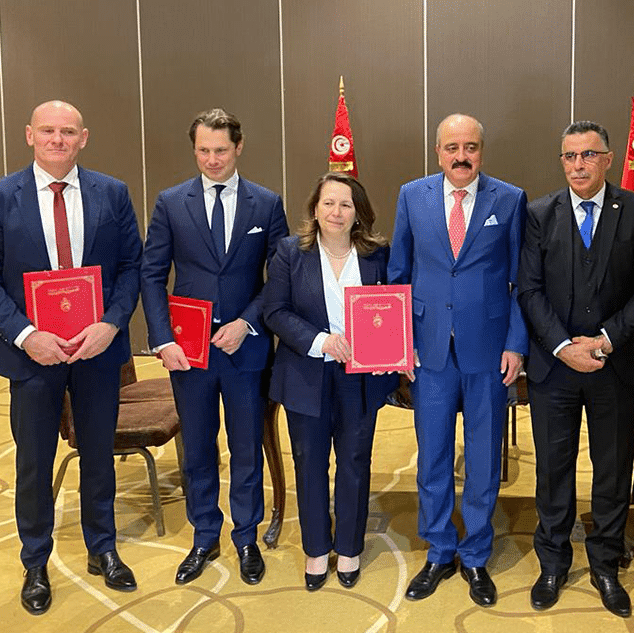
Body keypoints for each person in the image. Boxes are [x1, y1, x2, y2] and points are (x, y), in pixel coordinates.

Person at [0, 100, 143, 615]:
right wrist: (24, 335)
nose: (58, 140)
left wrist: (110, 324)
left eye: (68, 132)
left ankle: (102, 547)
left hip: (95, 351)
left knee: (98, 453)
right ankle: (36, 560)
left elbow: (131, 266)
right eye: (48, 131)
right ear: (29, 135)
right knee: (35, 459)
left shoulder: (111, 193)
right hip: (32, 357)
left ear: (83, 137)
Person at [518, 120, 634, 617]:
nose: (577, 165)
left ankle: (605, 562)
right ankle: (553, 562)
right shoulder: (539, 213)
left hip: (614, 366)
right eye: (569, 156)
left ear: (608, 159)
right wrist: (563, 346)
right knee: (553, 471)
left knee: (611, 470)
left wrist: (605, 340)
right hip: (554, 369)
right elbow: (529, 290)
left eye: (587, 155)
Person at [140, 108, 289, 587]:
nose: (212, 159)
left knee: (246, 447)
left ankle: (245, 536)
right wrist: (162, 338)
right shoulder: (170, 202)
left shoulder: (266, 204)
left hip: (245, 351)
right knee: (199, 450)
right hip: (189, 353)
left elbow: (280, 278)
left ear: (238, 148)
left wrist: (247, 323)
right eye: (203, 150)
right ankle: (205, 534)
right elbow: (151, 274)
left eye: (220, 150)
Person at [388, 113, 528, 607]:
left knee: (486, 456)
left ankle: (475, 554)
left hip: (488, 349)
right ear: (438, 151)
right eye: (452, 147)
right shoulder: (412, 196)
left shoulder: (509, 199)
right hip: (428, 350)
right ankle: (439, 549)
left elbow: (519, 281)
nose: (461, 155)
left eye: (470, 147)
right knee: (433, 455)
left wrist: (515, 343)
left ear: (481, 152)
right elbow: (398, 273)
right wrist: (399, 342)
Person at [262, 172, 399, 591]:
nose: (336, 212)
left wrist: (387, 349)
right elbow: (276, 311)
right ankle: (317, 548)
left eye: (345, 204)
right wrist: (321, 340)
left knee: (355, 463)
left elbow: (392, 308)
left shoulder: (377, 254)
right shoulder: (289, 252)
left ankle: (351, 547)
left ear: (358, 212)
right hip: (307, 372)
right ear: (315, 209)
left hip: (361, 378)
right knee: (310, 463)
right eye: (328, 204)